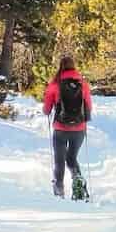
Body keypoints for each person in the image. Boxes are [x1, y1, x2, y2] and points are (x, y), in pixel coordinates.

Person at [41, 55, 93, 198]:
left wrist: (47, 110)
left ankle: (59, 190)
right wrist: (85, 120)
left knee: (59, 161)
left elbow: (46, 109)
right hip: (79, 128)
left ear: (61, 66)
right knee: (71, 158)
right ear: (73, 66)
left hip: (60, 128)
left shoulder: (55, 84)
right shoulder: (82, 83)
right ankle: (78, 183)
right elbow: (88, 105)